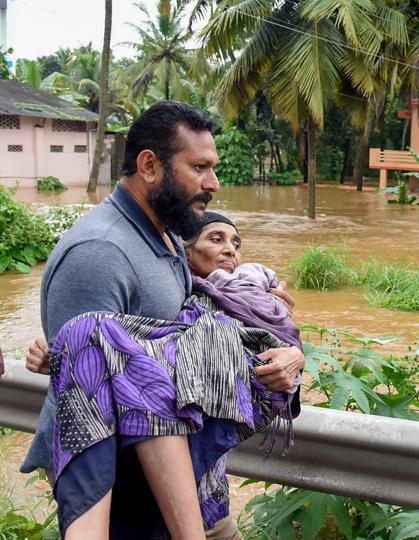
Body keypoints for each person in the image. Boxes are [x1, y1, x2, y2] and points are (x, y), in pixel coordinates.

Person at [20, 101, 304, 540]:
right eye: (200, 168)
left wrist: (283, 350)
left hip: (194, 486)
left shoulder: (168, 235)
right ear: (150, 165)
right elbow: (85, 392)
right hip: (134, 500)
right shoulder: (99, 254)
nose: (214, 183)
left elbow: (193, 343)